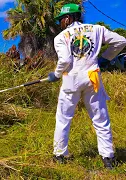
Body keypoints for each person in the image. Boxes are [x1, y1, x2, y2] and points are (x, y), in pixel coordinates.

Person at [47, 3, 126, 169]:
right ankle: (108, 158)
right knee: (100, 119)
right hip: (92, 78)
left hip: (71, 80)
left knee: (63, 118)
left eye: (61, 19)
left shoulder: (61, 37)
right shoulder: (97, 29)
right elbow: (121, 41)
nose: (60, 23)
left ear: (68, 18)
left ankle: (59, 154)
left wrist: (56, 74)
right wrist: (106, 57)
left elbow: (66, 60)